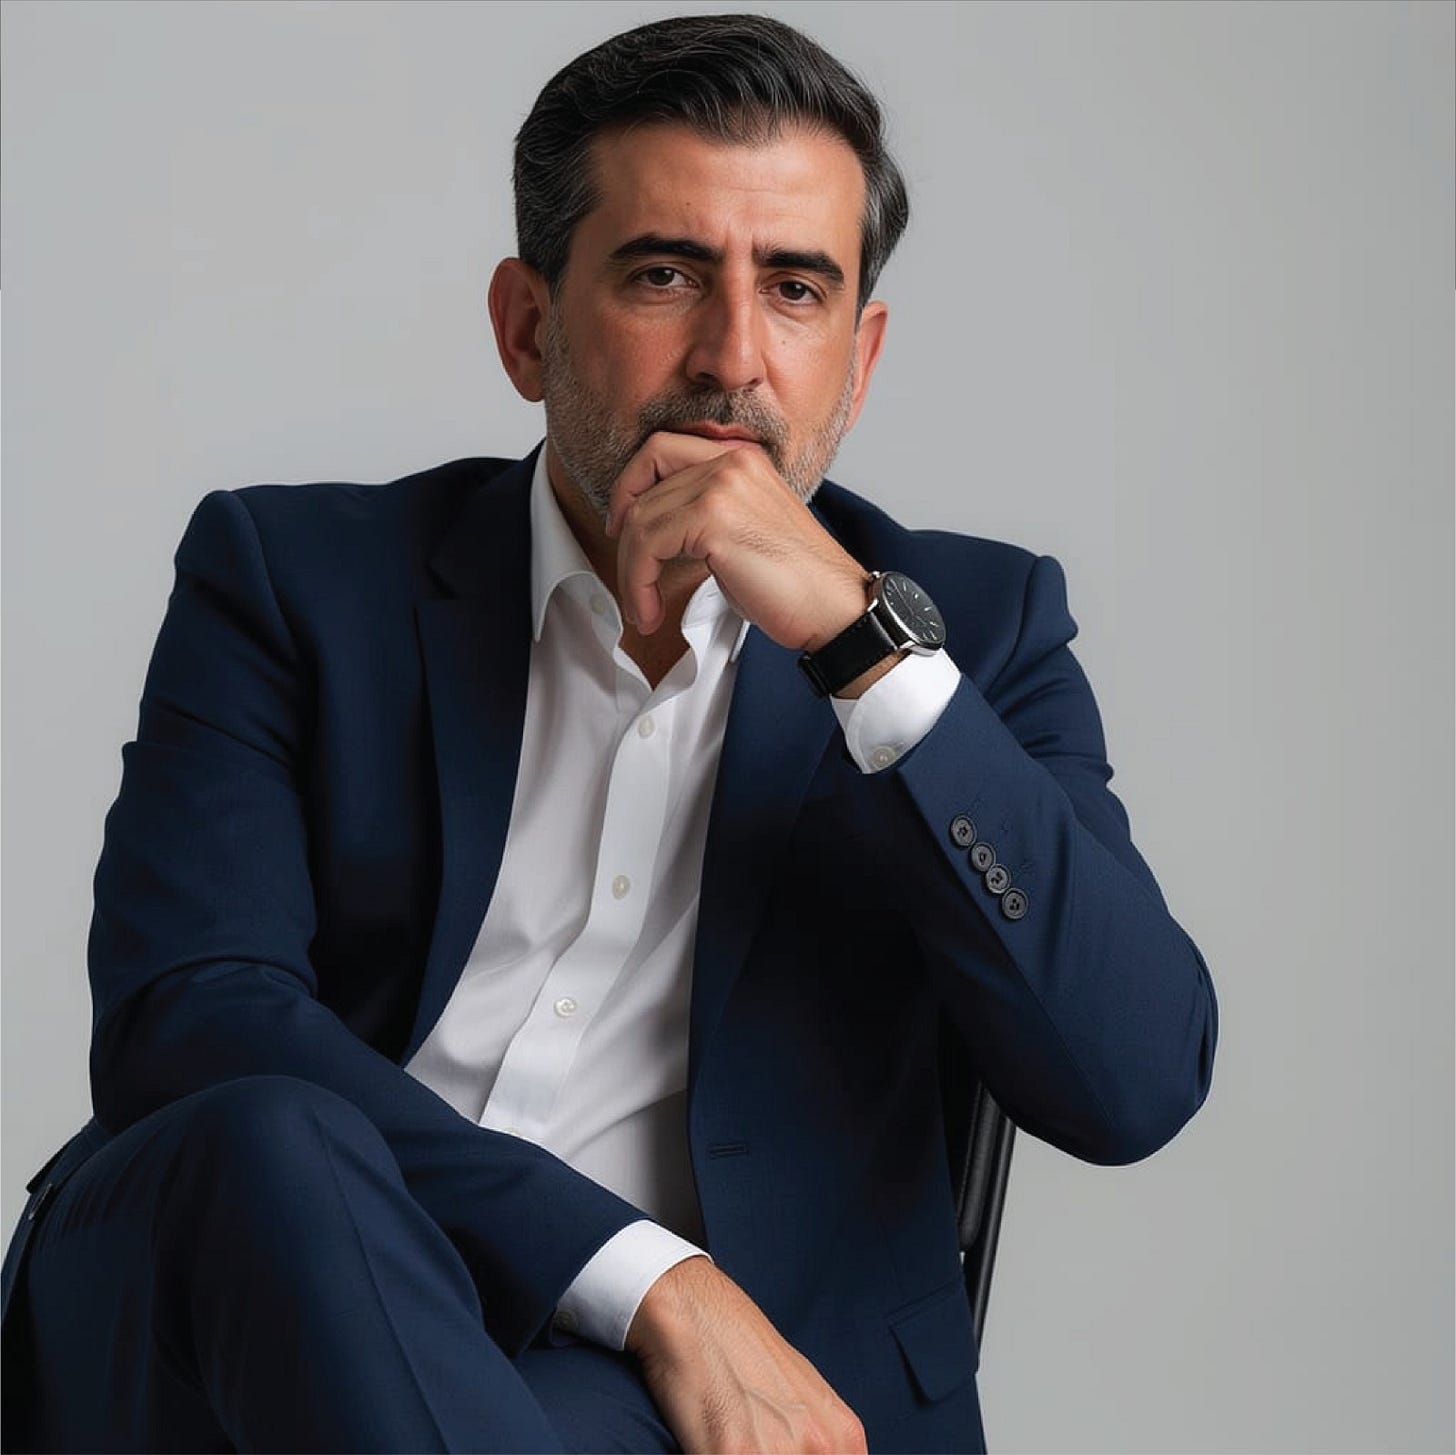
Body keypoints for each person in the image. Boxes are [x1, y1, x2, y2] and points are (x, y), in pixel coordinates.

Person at [0, 13, 1218, 1453]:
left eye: (797, 290)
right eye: (665, 275)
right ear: (528, 328)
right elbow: (187, 1020)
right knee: (273, 1137)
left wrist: (862, 650)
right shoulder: (295, 580)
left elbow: (1133, 1082)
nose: (732, 358)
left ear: (861, 359)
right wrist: (644, 1277)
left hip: (653, 1401)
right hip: (257, 1299)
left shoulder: (980, 633)